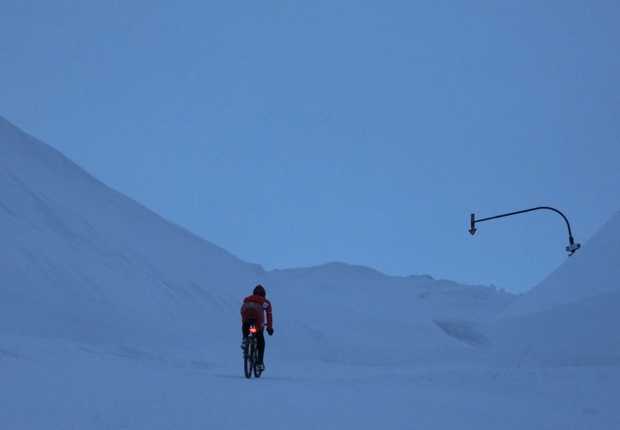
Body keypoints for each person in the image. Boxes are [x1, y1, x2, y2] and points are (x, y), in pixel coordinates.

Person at [240, 285, 273, 371]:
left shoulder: (247, 299)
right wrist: (269, 328)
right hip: (258, 316)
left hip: (246, 312)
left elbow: (244, 306)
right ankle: (260, 363)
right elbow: (269, 316)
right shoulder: (266, 302)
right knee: (260, 337)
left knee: (245, 323)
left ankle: (244, 339)